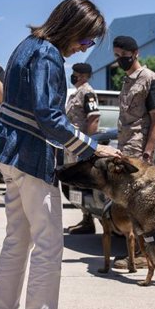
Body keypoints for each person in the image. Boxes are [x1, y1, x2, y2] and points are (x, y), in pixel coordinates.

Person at [0, 0, 121, 309]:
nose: (84, 49)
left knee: (17, 238)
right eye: (86, 39)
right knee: (48, 244)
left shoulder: (26, 46)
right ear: (72, 28)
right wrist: (93, 147)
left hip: (9, 154)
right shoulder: (47, 54)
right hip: (31, 157)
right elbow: (49, 118)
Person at [110, 35, 155, 269]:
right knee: (126, 203)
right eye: (116, 56)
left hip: (139, 148)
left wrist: (148, 151)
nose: (120, 60)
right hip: (125, 147)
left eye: (124, 56)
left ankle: (145, 255)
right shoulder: (126, 80)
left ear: (135, 53)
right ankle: (133, 253)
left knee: (139, 204)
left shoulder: (150, 79)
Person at [64, 62, 100, 234]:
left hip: (81, 146)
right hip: (72, 146)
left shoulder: (87, 92)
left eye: (76, 74)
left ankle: (89, 221)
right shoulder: (75, 94)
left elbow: (93, 119)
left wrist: (89, 145)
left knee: (84, 185)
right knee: (75, 186)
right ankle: (86, 220)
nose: (73, 76)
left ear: (84, 76)